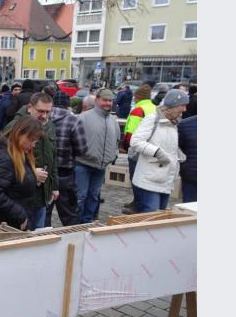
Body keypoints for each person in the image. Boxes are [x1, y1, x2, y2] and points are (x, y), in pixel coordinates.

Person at [2, 92, 58, 229]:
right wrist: (32, 173)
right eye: (40, 111)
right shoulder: (15, 127)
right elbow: (5, 161)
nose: (44, 116)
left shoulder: (49, 125)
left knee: (38, 237)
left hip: (42, 194)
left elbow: (53, 157)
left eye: (48, 112)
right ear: (29, 108)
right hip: (21, 196)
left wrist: (54, 186)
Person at [130, 90, 189, 212]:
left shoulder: (174, 123)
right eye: (182, 105)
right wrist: (157, 152)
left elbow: (163, 142)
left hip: (165, 180)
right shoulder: (153, 119)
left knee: (159, 218)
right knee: (151, 218)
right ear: (172, 105)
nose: (184, 110)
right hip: (149, 180)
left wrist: (177, 152)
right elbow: (135, 141)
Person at [0, 116, 43, 230]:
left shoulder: (22, 153)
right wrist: (21, 215)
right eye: (31, 140)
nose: (33, 145)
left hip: (14, 222)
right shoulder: (5, 158)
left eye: (35, 141)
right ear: (20, 134)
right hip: (3, 225)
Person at [74, 88, 121, 222]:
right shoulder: (83, 117)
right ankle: (75, 225)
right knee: (80, 196)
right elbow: (73, 139)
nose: (108, 103)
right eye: (105, 100)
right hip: (83, 164)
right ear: (97, 100)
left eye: (110, 100)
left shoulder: (112, 121)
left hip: (101, 167)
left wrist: (114, 155)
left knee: (94, 196)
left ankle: (88, 222)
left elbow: (116, 141)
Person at [45, 102, 88, 226]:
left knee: (44, 212)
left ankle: (44, 239)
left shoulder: (41, 117)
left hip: (43, 172)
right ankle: (74, 240)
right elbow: (82, 150)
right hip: (65, 174)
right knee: (69, 214)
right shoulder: (74, 120)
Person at [122, 84, 155, 214]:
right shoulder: (154, 108)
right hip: (150, 148)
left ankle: (138, 204)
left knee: (135, 178)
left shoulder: (138, 109)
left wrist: (126, 147)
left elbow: (131, 132)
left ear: (137, 96)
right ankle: (139, 202)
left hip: (137, 149)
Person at [177, 115, 197, 203]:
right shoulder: (184, 125)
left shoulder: (185, 124)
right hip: (191, 177)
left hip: (190, 174)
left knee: (190, 210)